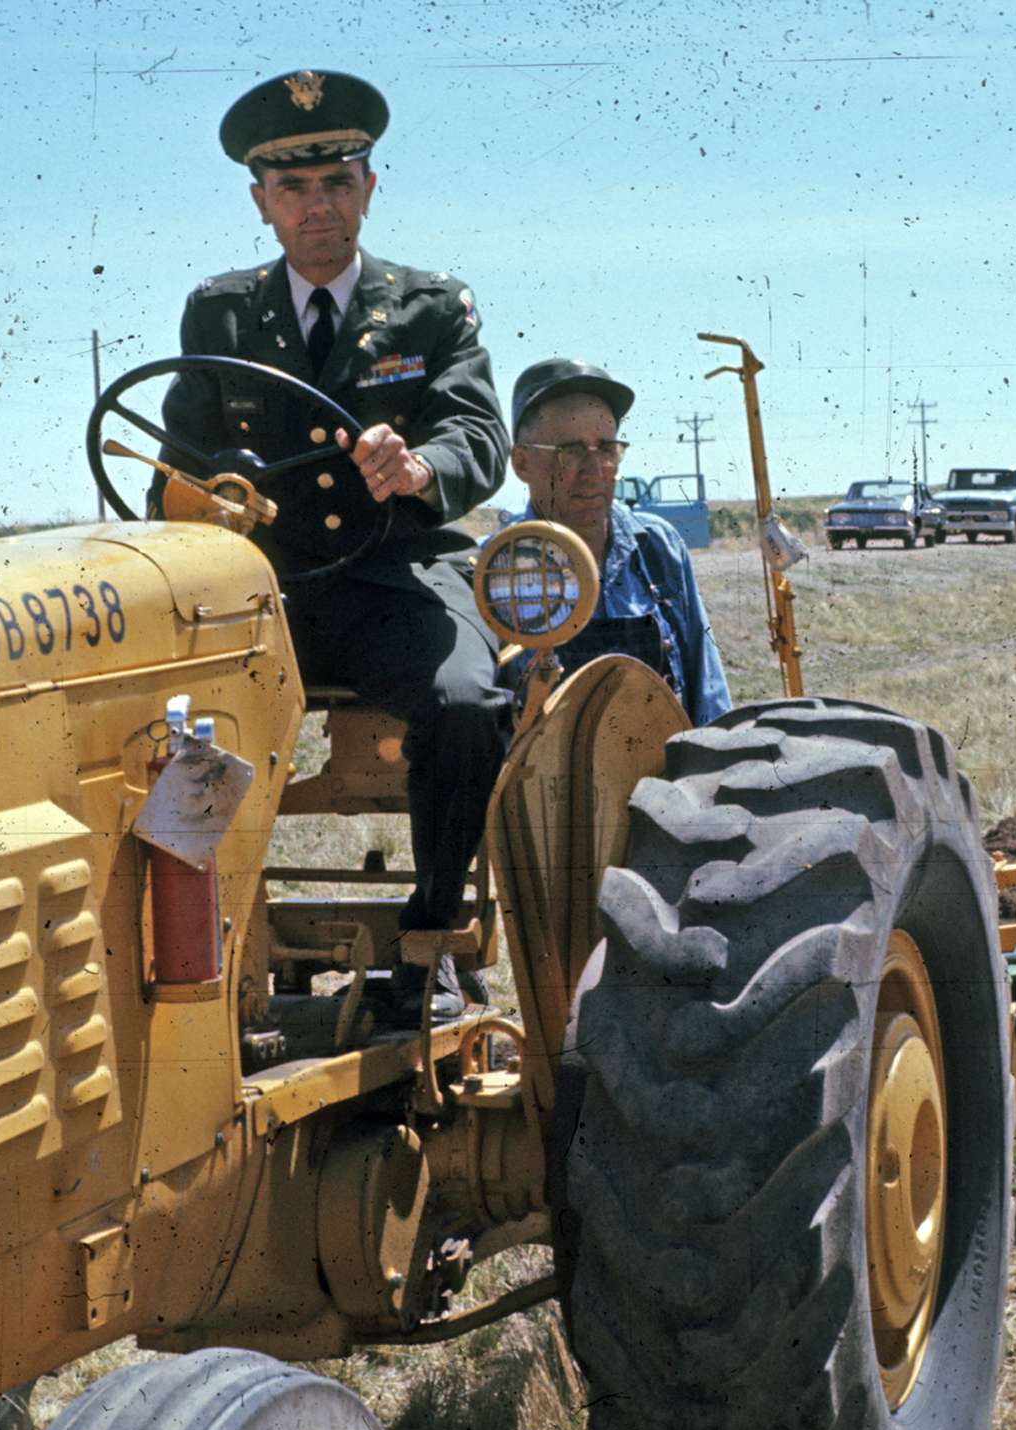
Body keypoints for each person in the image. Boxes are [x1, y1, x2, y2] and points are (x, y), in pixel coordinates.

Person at [158, 70, 509, 1027]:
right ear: (262, 203)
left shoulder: (433, 308)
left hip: (395, 580)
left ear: (369, 187)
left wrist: (419, 467)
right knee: (145, 714)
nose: (320, 205)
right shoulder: (220, 316)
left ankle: (433, 940)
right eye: (295, 188)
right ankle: (196, 947)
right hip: (264, 592)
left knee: (470, 705)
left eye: (339, 181)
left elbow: (479, 441)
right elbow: (177, 464)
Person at [506, 358, 731, 725]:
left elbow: (707, 693)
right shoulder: (494, 568)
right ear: (521, 462)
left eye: (607, 448)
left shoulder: (656, 547)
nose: (595, 469)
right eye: (571, 452)